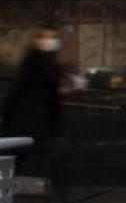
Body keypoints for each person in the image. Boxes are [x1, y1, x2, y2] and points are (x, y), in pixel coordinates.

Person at [1, 25, 67, 189]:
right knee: (19, 155)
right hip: (26, 117)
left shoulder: (51, 65)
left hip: (38, 118)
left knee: (22, 155)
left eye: (53, 38)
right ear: (36, 40)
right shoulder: (33, 61)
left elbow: (54, 98)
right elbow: (19, 88)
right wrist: (5, 113)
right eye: (46, 37)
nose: (50, 41)